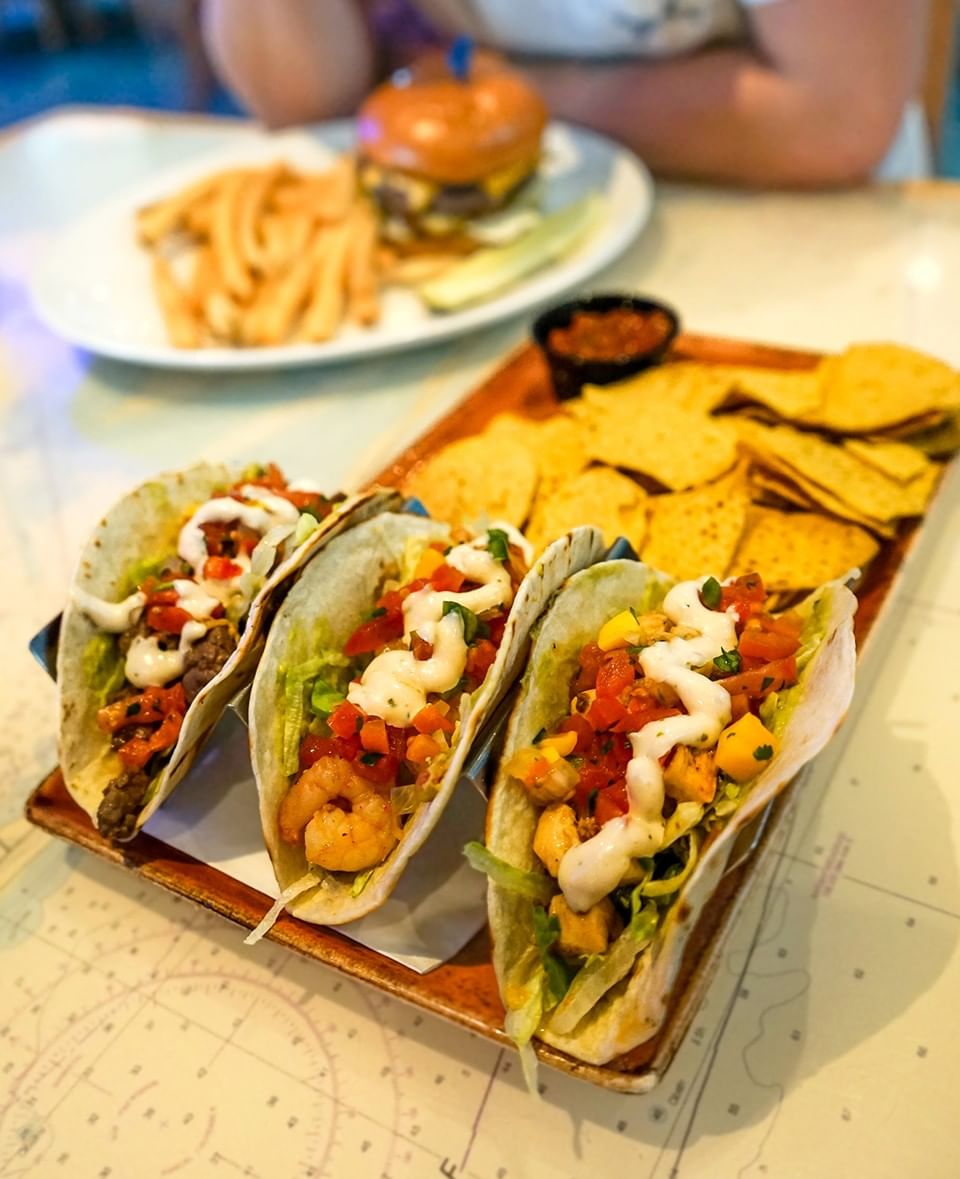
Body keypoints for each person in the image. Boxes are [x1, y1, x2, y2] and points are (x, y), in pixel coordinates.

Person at [200, 0, 929, 186]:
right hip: (456, 231)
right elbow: (304, 102)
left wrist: (507, 98)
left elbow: (838, 114)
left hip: (800, 210)